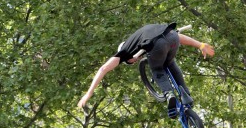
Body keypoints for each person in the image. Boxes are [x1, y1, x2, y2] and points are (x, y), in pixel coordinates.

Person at [78, 22, 215, 118]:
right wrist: (200, 44)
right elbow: (174, 35)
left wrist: (88, 94)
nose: (135, 60)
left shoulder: (124, 51)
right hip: (172, 37)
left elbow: (103, 69)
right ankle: (185, 94)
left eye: (130, 62)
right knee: (170, 64)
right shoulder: (142, 34)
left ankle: (169, 94)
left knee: (156, 69)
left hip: (158, 46)